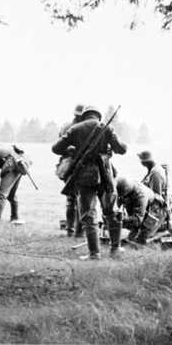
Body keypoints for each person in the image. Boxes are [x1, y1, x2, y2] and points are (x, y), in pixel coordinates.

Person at [52, 105, 127, 260]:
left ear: (84, 116)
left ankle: (94, 254)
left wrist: (71, 150)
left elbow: (56, 148)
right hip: (106, 174)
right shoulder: (107, 128)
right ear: (98, 115)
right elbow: (121, 149)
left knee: (88, 214)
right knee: (112, 211)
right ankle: (115, 249)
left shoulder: (75, 128)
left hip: (84, 175)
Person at [57, 104, 84, 237]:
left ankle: (71, 230)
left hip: (67, 166)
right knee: (79, 199)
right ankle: (77, 231)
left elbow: (58, 147)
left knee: (71, 199)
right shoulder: (82, 128)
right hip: (75, 166)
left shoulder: (66, 127)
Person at [116, 177, 166, 245]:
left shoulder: (141, 195)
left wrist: (121, 220)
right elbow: (117, 205)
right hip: (143, 211)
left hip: (156, 211)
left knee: (140, 241)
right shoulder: (124, 190)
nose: (120, 197)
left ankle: (161, 227)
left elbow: (137, 220)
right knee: (131, 237)